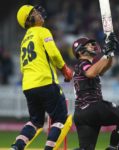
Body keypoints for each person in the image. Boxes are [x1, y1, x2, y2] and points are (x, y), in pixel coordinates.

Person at [11, 4, 73, 150]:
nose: (39, 13)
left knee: (35, 121)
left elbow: (22, 67)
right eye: (34, 12)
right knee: (60, 117)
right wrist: (64, 68)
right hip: (45, 82)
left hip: (28, 85)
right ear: (29, 20)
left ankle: (16, 147)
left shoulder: (24, 39)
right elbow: (53, 52)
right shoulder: (42, 31)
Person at [72, 33, 119, 150]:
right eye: (88, 45)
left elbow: (104, 68)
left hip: (81, 114)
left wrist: (110, 53)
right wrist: (105, 54)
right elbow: (91, 73)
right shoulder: (83, 63)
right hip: (93, 107)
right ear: (80, 51)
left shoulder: (86, 65)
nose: (92, 46)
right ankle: (113, 148)